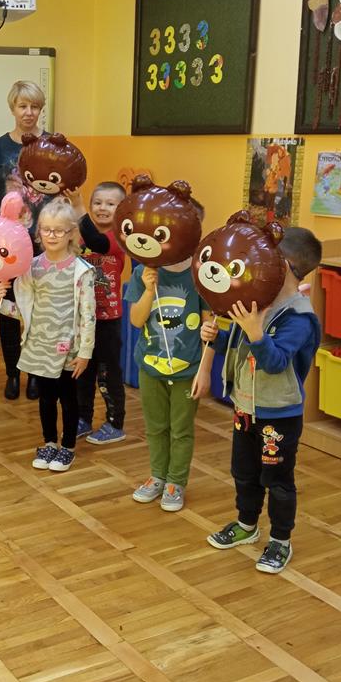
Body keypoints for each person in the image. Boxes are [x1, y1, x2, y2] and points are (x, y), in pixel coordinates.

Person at [201, 227, 322, 574]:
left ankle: (281, 540)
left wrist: (255, 331)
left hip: (279, 415)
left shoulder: (300, 317)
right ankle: (246, 524)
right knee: (244, 472)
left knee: (277, 480)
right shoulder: (259, 301)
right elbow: (242, 349)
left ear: (283, 266)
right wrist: (218, 337)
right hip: (245, 407)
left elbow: (275, 361)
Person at [0, 198, 95, 473]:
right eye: (46, 229)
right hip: (39, 346)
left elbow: (88, 316)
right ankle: (49, 442)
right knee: (46, 398)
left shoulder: (81, 271)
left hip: (69, 349)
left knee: (68, 399)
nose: (52, 235)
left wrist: (85, 352)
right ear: (39, 232)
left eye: (59, 230)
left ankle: (68, 447)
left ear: (71, 233)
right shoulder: (32, 267)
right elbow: (24, 312)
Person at [124, 202, 212, 511]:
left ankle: (176, 481)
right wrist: (149, 290)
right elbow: (136, 320)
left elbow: (210, 328)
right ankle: (158, 476)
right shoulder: (143, 272)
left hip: (187, 368)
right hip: (151, 366)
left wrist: (205, 370)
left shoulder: (201, 275)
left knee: (181, 429)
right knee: (156, 426)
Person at [0, 80, 46, 401]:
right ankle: (12, 373)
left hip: (43, 245)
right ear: (13, 109)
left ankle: (34, 374)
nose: (28, 112)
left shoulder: (50, 145)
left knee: (37, 312)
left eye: (34, 106)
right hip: (6, 248)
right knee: (8, 312)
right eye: (23, 106)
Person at [68, 182, 127, 445]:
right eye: (98, 202)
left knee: (108, 373)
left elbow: (97, 242)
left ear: (121, 210)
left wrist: (77, 204)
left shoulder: (119, 237)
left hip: (108, 320)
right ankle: (83, 418)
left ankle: (115, 423)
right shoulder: (81, 238)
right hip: (83, 319)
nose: (103, 208)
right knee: (83, 370)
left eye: (110, 204)